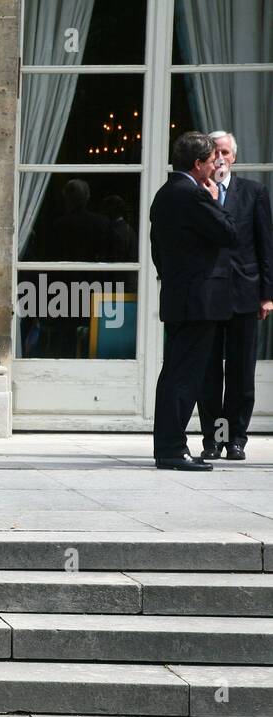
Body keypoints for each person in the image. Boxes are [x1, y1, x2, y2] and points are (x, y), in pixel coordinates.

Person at [149, 131, 237, 472]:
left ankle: (167, 446)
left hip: (178, 296)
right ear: (198, 164)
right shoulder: (193, 195)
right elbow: (228, 232)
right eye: (210, 161)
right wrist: (215, 198)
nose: (215, 166)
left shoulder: (164, 194)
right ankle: (172, 449)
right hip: (199, 301)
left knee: (173, 373)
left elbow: (158, 250)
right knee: (185, 376)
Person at [199, 130, 273, 462]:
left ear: (234, 157)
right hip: (208, 295)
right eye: (214, 152)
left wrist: (267, 294)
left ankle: (237, 439)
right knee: (209, 371)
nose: (220, 158)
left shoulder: (254, 192)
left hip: (245, 292)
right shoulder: (196, 192)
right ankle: (215, 438)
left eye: (225, 152)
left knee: (242, 372)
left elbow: (265, 245)